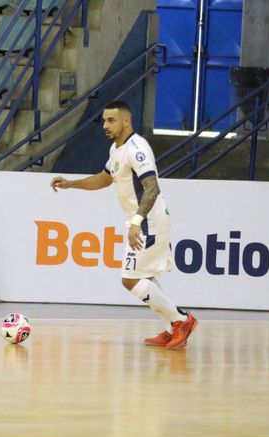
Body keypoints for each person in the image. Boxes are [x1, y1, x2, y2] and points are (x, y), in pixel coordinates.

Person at [50, 101, 198, 349]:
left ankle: (181, 320)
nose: (106, 125)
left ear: (126, 121)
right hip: (141, 220)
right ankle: (171, 327)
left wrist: (137, 222)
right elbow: (104, 179)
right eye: (105, 120)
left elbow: (152, 188)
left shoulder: (136, 149)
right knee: (144, 276)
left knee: (130, 280)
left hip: (149, 220)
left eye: (111, 120)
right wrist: (71, 183)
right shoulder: (116, 149)